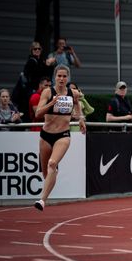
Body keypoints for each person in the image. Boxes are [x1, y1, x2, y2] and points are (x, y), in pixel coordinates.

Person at [33, 65, 86, 210]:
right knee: (45, 172)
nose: (62, 79)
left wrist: (81, 118)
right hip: (46, 135)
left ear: (68, 78)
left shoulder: (72, 93)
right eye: (59, 76)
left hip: (63, 135)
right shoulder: (47, 92)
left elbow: (77, 104)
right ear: (54, 77)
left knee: (52, 163)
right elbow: (38, 113)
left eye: (64, 76)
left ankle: (42, 200)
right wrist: (52, 103)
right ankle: (50, 179)